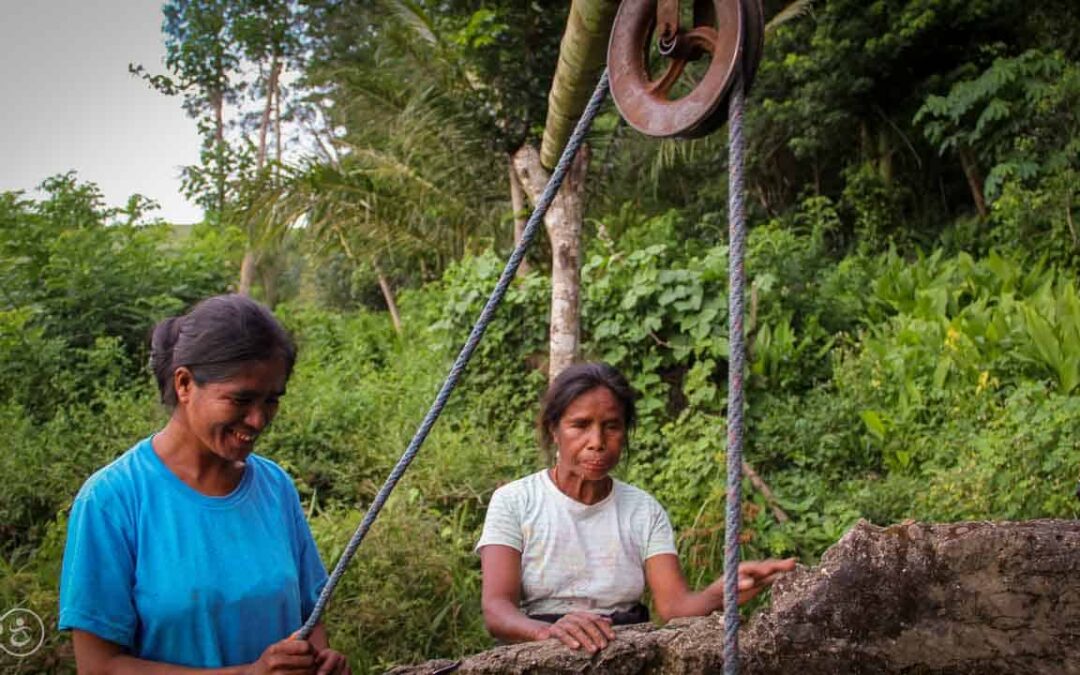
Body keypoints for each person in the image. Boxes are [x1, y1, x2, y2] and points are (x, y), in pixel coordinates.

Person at [59, 294, 350, 674]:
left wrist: (319, 660)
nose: (259, 420)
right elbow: (100, 667)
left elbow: (308, 619)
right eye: (241, 399)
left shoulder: (275, 487)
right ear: (184, 384)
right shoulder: (111, 501)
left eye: (271, 400)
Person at [477, 362, 795, 653]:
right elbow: (497, 609)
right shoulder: (516, 501)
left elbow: (673, 607)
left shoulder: (643, 510)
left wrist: (721, 591)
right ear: (553, 429)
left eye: (611, 426)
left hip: (625, 648)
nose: (597, 441)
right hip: (542, 646)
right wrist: (548, 632)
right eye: (580, 425)